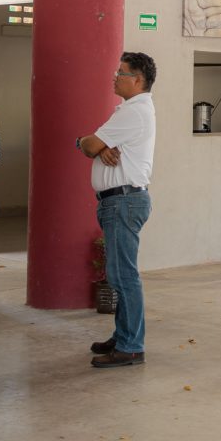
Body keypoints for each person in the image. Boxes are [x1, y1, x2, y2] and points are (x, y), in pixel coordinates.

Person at [75, 52, 158, 369]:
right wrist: (97, 146)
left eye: (121, 73)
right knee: (120, 274)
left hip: (123, 201)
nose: (115, 77)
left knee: (124, 276)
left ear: (137, 80)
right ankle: (123, 335)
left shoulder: (133, 112)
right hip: (120, 201)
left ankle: (131, 346)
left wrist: (90, 144)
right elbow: (94, 146)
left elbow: (88, 145)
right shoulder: (130, 110)